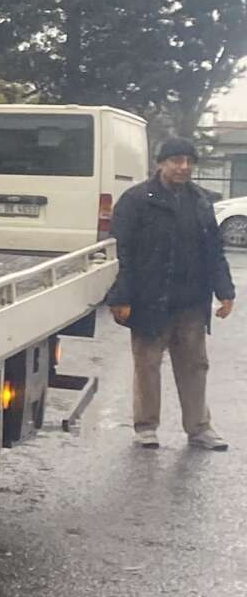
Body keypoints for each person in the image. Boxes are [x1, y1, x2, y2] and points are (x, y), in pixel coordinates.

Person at [108, 135, 235, 450]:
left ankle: (199, 428)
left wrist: (225, 291)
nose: (184, 167)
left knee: (195, 366)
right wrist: (121, 297)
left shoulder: (201, 201)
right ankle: (146, 427)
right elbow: (121, 252)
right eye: (177, 160)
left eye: (189, 161)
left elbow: (214, 251)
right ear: (161, 163)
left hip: (191, 302)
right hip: (149, 301)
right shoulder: (136, 200)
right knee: (148, 365)